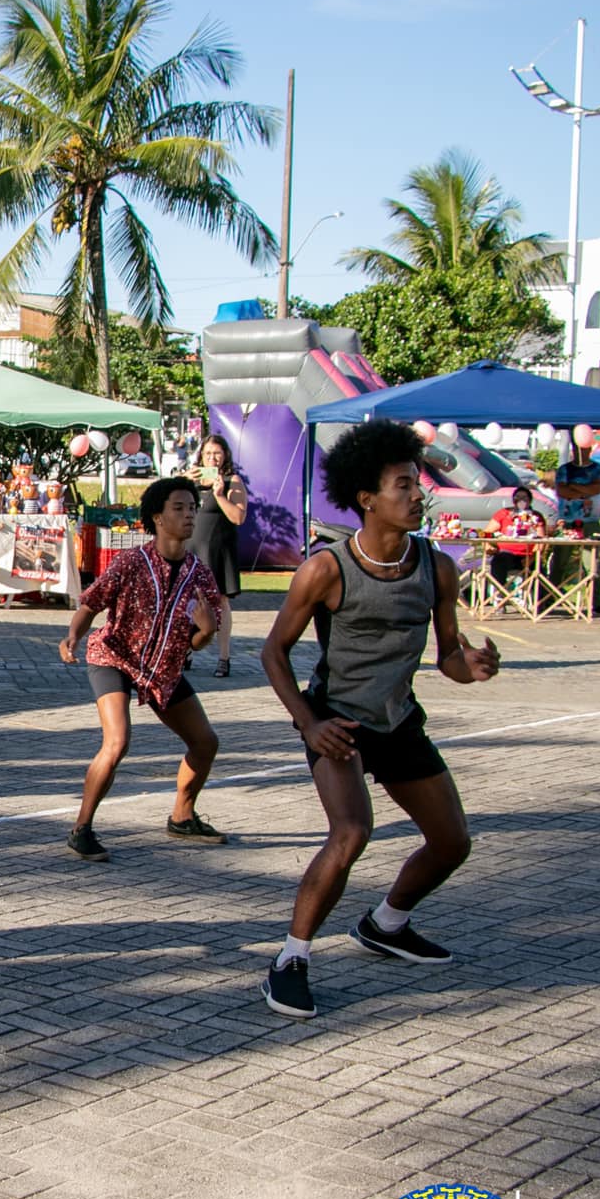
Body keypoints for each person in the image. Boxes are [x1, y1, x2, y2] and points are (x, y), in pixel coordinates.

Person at [257, 421, 501, 1021]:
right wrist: (308, 723)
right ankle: (290, 959)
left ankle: (386, 924)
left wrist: (470, 666)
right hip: (338, 722)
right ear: (367, 498)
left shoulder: (436, 567)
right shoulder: (327, 569)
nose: (418, 496)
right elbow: (273, 651)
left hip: (398, 721)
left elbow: (446, 654)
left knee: (452, 843)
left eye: (417, 485)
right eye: (403, 486)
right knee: (352, 833)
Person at [58, 477, 226, 860]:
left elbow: (196, 642)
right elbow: (91, 604)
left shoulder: (200, 575)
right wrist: (73, 636)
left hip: (162, 670)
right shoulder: (132, 562)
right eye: (179, 508)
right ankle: (81, 828)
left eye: (192, 508)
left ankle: (182, 817)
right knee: (117, 741)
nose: (188, 515)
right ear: (158, 518)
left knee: (206, 742)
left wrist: (208, 630)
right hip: (114, 658)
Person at [187, 434, 248, 678]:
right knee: (187, 600)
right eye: (208, 453)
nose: (212, 458)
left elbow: (238, 517)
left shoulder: (232, 481)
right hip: (191, 549)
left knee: (220, 602)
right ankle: (186, 652)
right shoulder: (191, 480)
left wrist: (220, 494)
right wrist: (181, 480)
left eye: (217, 453)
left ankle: (224, 658)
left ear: (225, 456)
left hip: (218, 549)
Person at [553, 439, 600, 614]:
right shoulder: (564, 469)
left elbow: (596, 489)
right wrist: (584, 489)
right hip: (567, 520)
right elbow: (562, 491)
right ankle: (548, 598)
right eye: (576, 449)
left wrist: (574, 488)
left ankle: (595, 601)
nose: (579, 453)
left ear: (590, 449)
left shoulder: (599, 469)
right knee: (559, 562)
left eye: (583, 449)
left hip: (590, 521)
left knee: (591, 564)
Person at [486, 486, 544, 589]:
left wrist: (532, 557)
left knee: (538, 569)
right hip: (506, 553)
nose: (520, 500)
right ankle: (499, 594)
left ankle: (538, 602)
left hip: (528, 555)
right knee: (499, 560)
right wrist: (488, 546)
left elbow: (541, 540)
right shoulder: (504, 513)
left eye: (524, 497)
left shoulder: (536, 517)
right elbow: (487, 532)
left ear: (530, 500)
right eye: (517, 497)